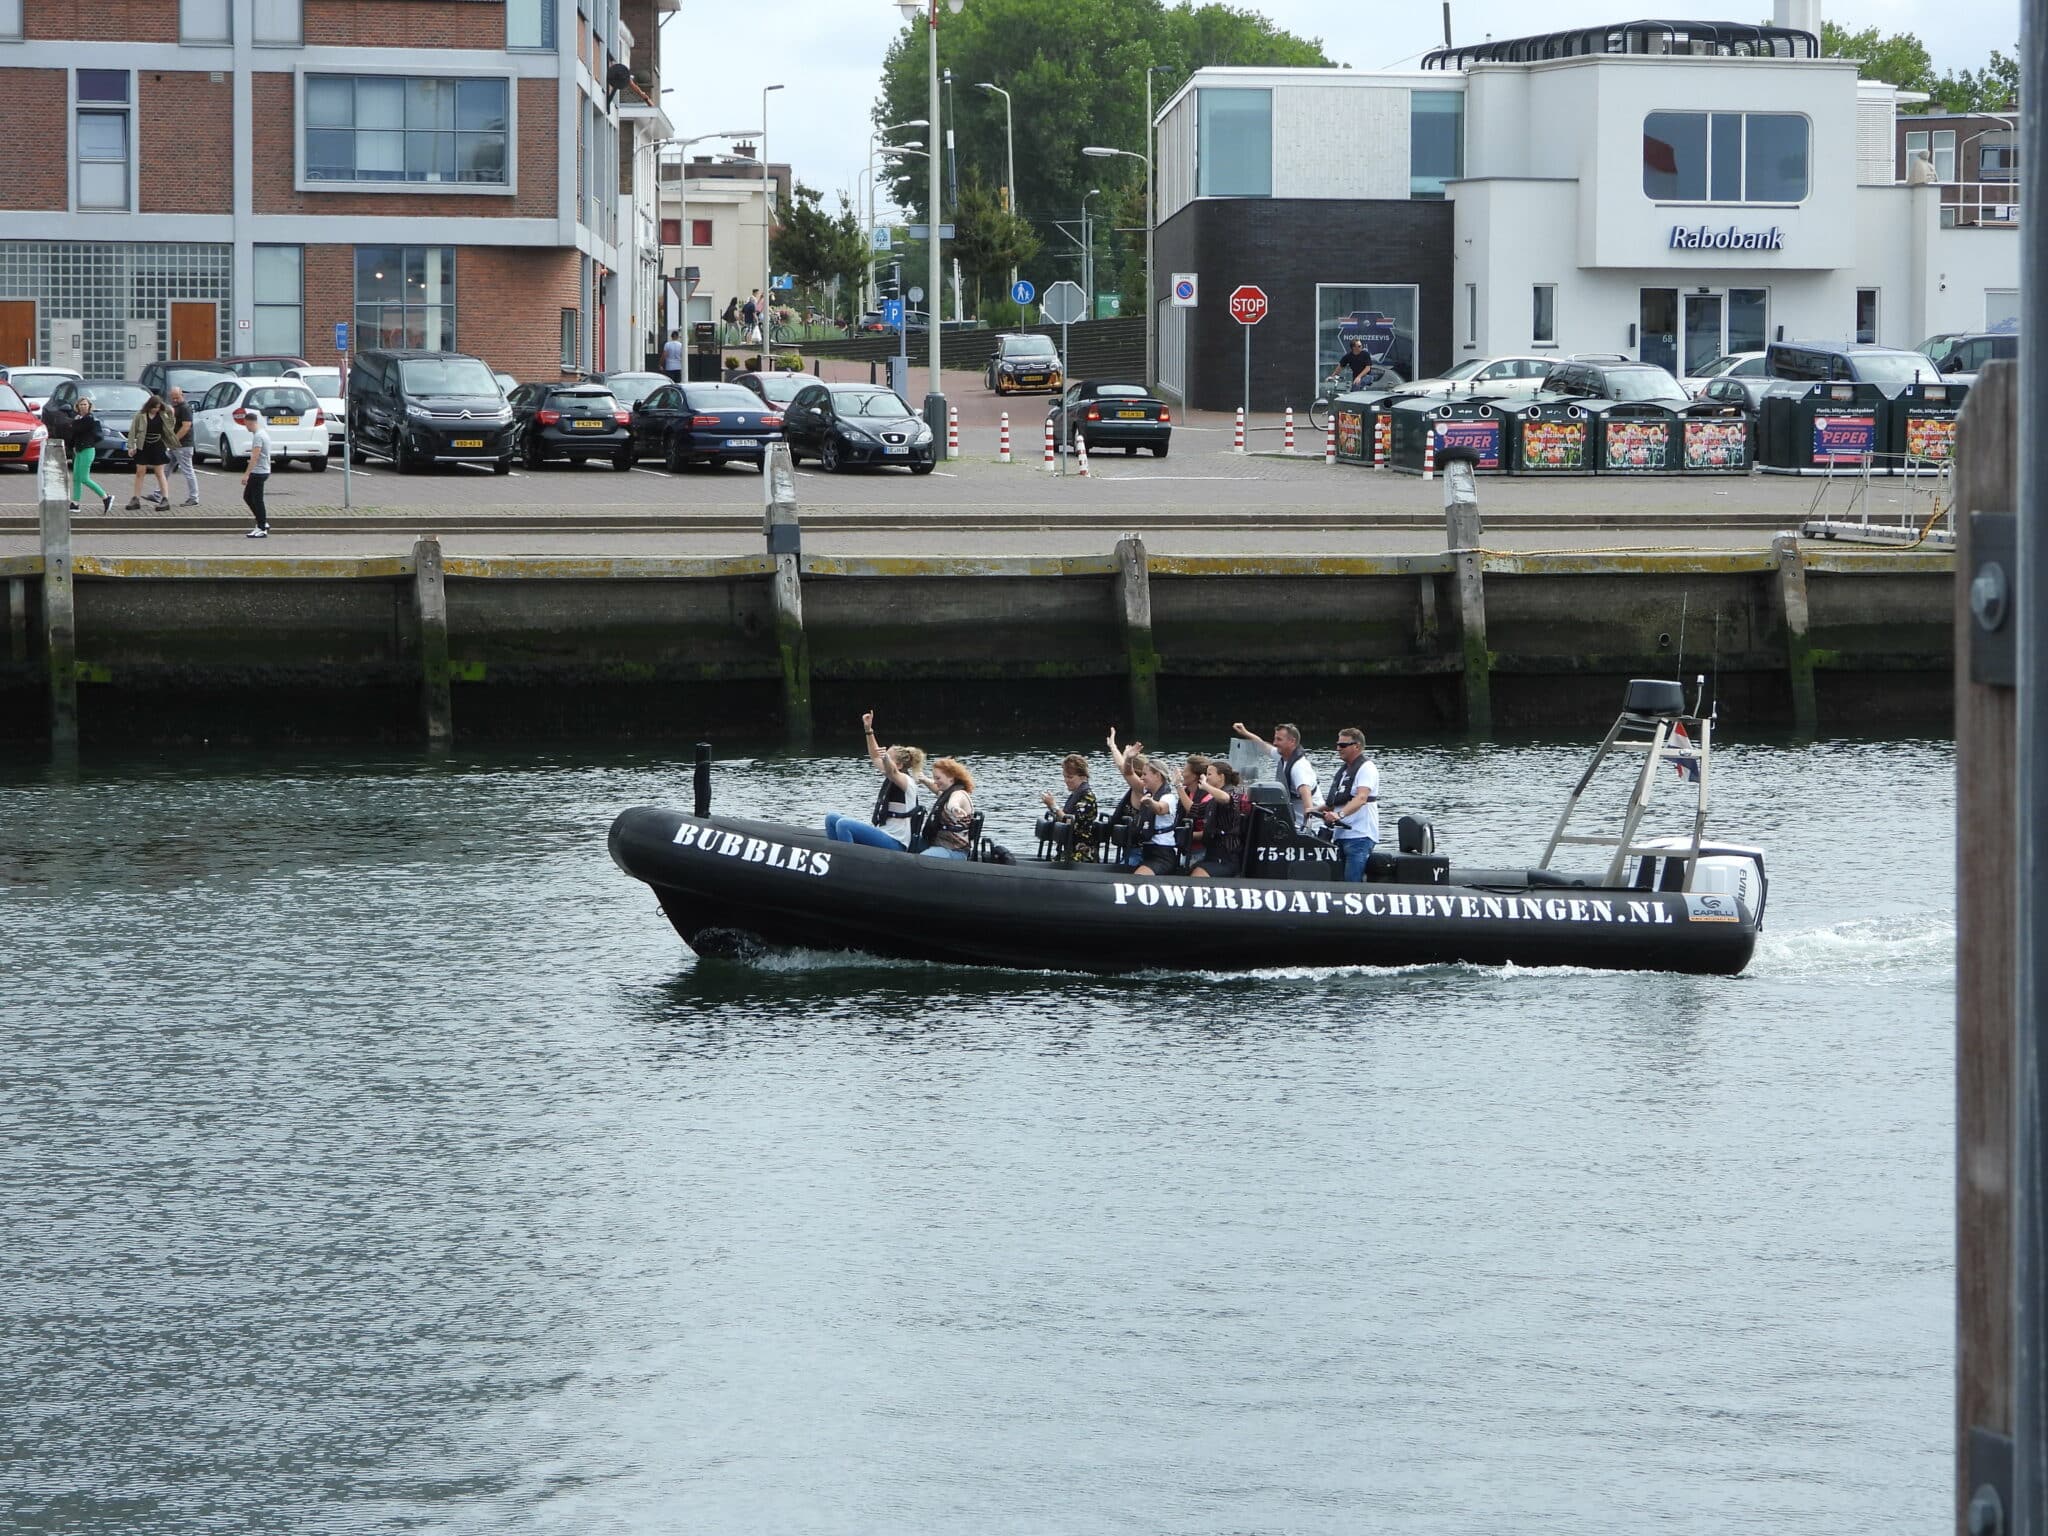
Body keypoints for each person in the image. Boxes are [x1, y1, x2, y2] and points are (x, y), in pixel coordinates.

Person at [824, 711, 925, 850]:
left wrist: (885, 758)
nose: (883, 759)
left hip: (896, 842)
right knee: (831, 818)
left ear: (900, 765)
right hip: (882, 833)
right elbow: (875, 756)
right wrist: (868, 730)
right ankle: (835, 855)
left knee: (843, 825)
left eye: (888, 757)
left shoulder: (907, 782)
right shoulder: (890, 774)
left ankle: (849, 858)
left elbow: (892, 771)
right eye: (885, 756)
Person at [1317, 726, 1380, 882]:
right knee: (1338, 881)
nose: (1338, 748)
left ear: (1356, 746)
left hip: (1359, 836)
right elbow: (1334, 802)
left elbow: (1361, 798)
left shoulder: (1367, 768)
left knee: (1352, 882)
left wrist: (1339, 815)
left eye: (1343, 745)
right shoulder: (1344, 772)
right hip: (1340, 835)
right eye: (1337, 744)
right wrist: (1313, 810)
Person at [1231, 720, 1318, 831]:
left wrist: (1307, 831)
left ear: (1292, 741)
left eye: (1279, 739)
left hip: (1309, 827)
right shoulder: (1283, 756)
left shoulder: (1299, 768)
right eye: (1275, 739)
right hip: (1292, 823)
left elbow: (1308, 804)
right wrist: (1245, 732)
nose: (1275, 743)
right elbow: (1263, 746)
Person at [1115, 750, 1179, 878]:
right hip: (1147, 852)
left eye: (1145, 774)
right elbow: (1128, 773)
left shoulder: (1169, 797)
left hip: (1162, 855)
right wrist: (1129, 759)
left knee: (1137, 877)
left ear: (1157, 776)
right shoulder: (1146, 792)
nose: (1142, 778)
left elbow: (1160, 809)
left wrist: (1150, 802)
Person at [1187, 760, 1245, 878]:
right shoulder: (1213, 800)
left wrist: (1206, 786)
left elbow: (1225, 798)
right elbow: (1193, 809)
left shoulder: (1232, 792)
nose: (1206, 777)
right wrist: (1179, 787)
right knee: (1189, 870)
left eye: (1209, 774)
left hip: (1227, 856)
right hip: (1212, 853)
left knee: (1198, 875)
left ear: (1221, 777)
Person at [1039, 752, 1099, 862]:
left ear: (1083, 777)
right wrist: (1051, 807)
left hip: (1081, 855)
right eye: (1065, 777)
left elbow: (1072, 823)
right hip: (1068, 850)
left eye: (1070, 777)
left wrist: (1053, 806)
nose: (1066, 780)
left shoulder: (1087, 797)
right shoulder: (1076, 795)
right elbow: (1064, 818)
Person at [917, 757, 976, 859]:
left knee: (922, 858)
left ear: (951, 778)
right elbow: (936, 789)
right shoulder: (946, 793)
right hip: (938, 843)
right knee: (909, 841)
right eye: (934, 778)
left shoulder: (959, 794)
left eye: (938, 778)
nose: (935, 782)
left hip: (954, 850)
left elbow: (953, 802)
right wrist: (924, 780)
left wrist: (954, 808)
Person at [125, 395, 174, 510]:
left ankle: (165, 499)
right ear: (149, 406)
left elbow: (171, 426)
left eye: (158, 407)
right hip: (143, 445)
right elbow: (133, 430)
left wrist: (170, 412)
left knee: (159, 472)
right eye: (154, 407)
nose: (155, 410)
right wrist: (131, 446)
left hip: (158, 445)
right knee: (140, 472)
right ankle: (135, 498)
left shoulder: (163, 415)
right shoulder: (140, 415)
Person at [65, 397, 112, 515]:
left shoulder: (89, 418)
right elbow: (73, 433)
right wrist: (72, 446)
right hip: (79, 451)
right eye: (81, 404)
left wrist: (73, 424)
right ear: (77, 406)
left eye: (85, 404)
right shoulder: (78, 419)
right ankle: (75, 503)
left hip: (87, 450)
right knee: (76, 478)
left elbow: (77, 428)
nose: (83, 407)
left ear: (89, 406)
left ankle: (106, 497)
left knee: (84, 478)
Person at [236, 407, 272, 538]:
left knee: (257, 500)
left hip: (259, 471)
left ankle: (262, 527)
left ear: (250, 422)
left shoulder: (258, 436)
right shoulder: (262, 433)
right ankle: (262, 522)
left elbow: (255, 457)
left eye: (246, 424)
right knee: (249, 497)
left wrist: (246, 474)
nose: (246, 427)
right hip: (262, 470)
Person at [167, 386, 199, 507]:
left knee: (188, 471)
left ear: (182, 395)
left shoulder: (185, 408)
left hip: (183, 445)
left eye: (177, 397)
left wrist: (174, 440)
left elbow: (186, 427)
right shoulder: (176, 407)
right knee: (165, 469)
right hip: (176, 446)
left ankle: (194, 497)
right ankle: (158, 493)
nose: (175, 400)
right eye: (173, 398)